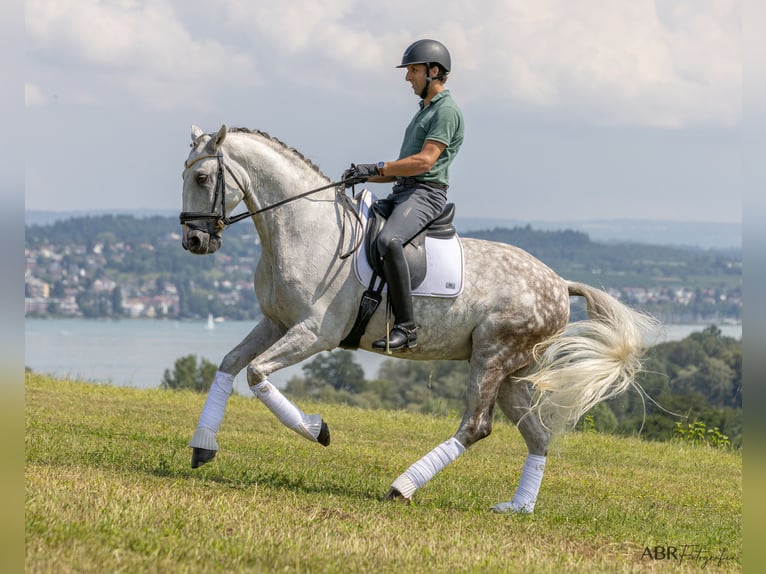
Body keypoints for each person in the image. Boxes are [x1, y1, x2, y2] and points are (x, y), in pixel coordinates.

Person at [344, 38, 464, 352]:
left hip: (426, 194)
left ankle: (406, 328)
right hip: (404, 191)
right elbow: (400, 170)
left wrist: (379, 165)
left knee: (388, 241)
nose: (407, 77)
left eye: (412, 70)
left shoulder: (446, 111)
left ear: (433, 71)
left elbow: (424, 162)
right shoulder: (422, 112)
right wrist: (364, 173)